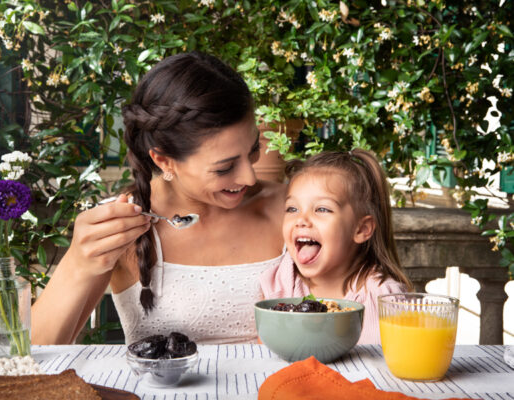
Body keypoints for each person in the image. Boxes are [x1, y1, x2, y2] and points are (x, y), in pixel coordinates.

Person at [31, 52, 286, 345]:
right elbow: (30, 364)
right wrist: (79, 262)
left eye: (253, 149)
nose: (249, 177)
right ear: (164, 161)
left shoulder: (292, 209)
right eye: (224, 167)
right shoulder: (120, 226)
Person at [259, 149, 412, 344]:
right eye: (292, 209)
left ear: (361, 229)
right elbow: (264, 354)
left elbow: (389, 363)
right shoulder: (280, 283)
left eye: (322, 209)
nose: (301, 220)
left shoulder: (383, 298)